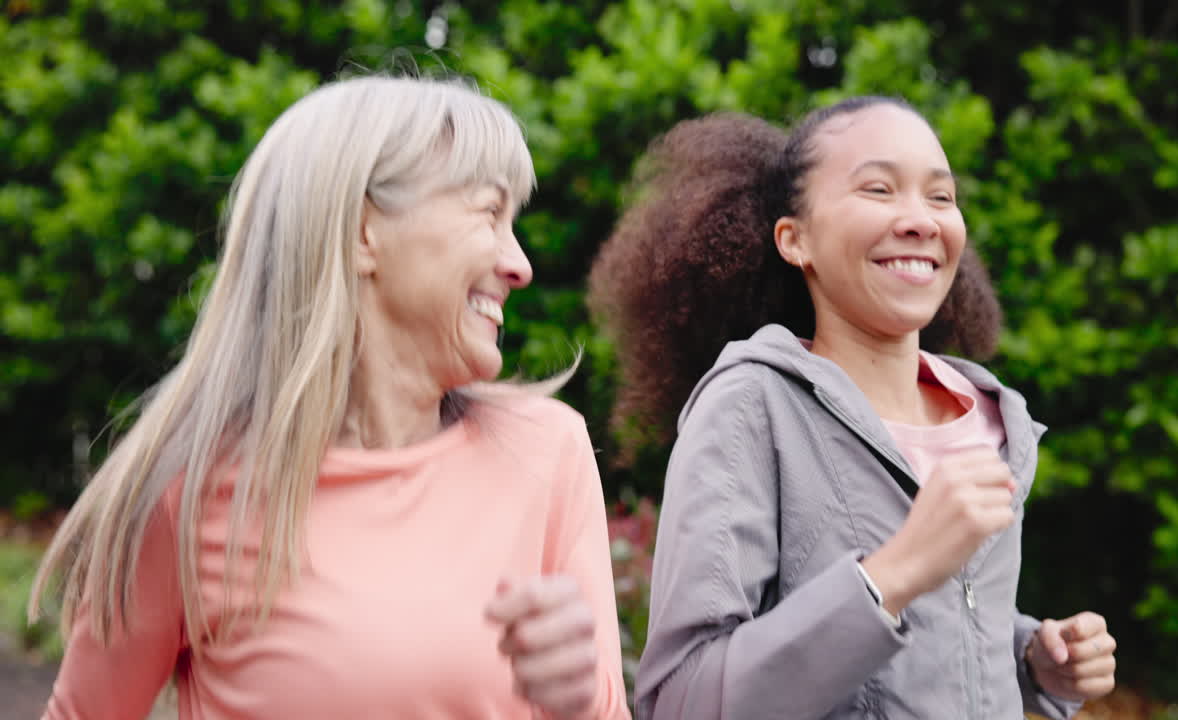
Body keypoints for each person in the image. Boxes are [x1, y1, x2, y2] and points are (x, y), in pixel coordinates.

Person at [29, 75, 630, 720]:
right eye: (489, 213)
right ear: (363, 233)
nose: (520, 265)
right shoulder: (189, 490)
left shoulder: (546, 451)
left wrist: (577, 701)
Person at [588, 97, 1117, 719]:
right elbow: (685, 699)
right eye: (879, 189)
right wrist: (892, 574)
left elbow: (944, 629)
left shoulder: (993, 420)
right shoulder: (750, 409)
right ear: (796, 239)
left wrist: (1030, 659)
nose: (920, 219)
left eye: (941, 197)